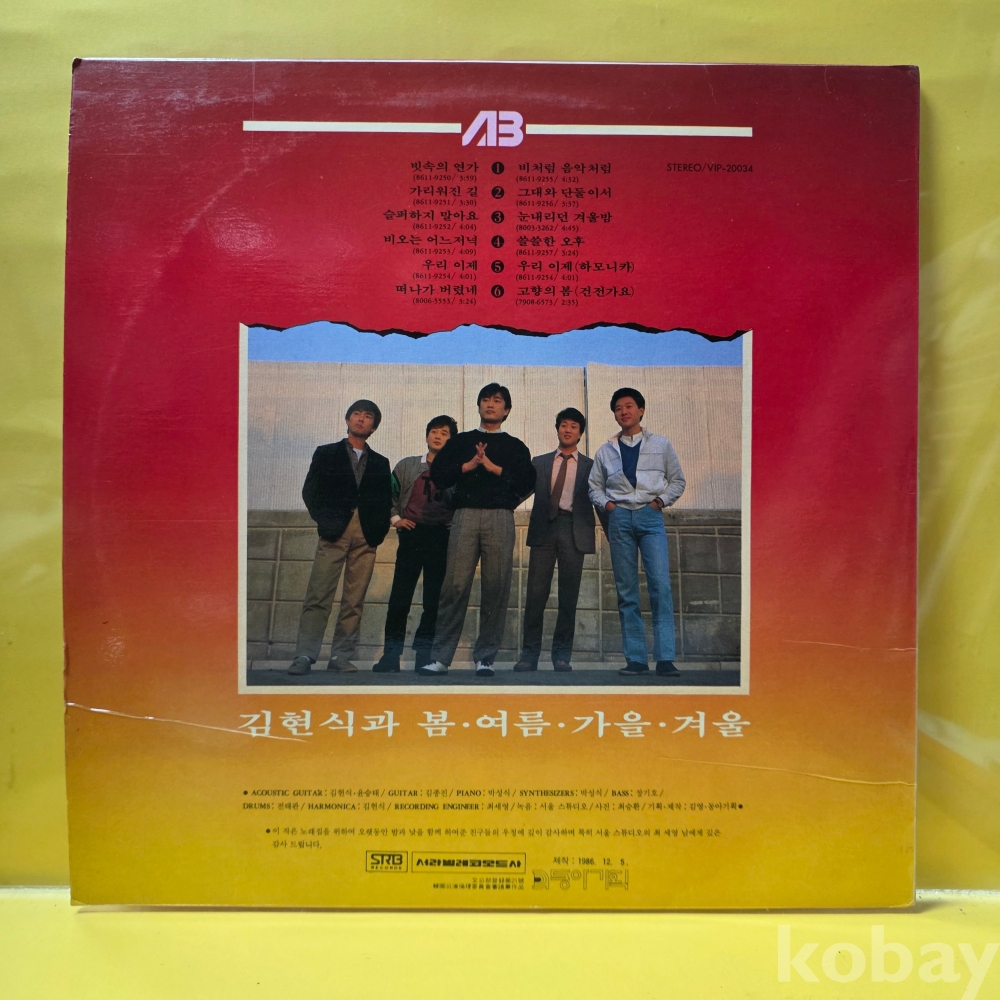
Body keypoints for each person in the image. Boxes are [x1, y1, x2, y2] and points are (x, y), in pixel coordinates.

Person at [420, 383, 535, 677]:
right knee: (454, 585)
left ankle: (485, 657)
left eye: (497, 400)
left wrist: (495, 468)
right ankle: (441, 657)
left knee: (496, 586)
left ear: (506, 410)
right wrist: (467, 466)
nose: (490, 404)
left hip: (500, 517)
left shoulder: (515, 446)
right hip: (465, 515)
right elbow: (438, 474)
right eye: (485, 399)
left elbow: (527, 481)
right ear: (479, 405)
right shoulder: (461, 442)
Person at [288, 399, 392, 676]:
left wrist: (377, 533)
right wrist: (326, 521)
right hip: (334, 531)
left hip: (366, 536)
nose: (361, 419)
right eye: (356, 414)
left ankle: (341, 656)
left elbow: (385, 500)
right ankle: (304, 655)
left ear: (373, 427)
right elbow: (311, 491)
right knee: (319, 595)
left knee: (354, 600)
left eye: (367, 416)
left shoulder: (380, 462)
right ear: (347, 419)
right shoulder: (326, 453)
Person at [588, 387, 685, 677]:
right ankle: (636, 659)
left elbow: (677, 481)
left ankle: (665, 658)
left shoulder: (661, 444)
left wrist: (659, 502)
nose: (624, 412)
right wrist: (608, 505)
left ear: (641, 410)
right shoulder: (605, 451)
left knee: (660, 586)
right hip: (619, 518)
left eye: (629, 406)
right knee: (627, 590)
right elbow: (594, 486)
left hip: (650, 517)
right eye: (618, 408)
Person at [372, 415, 459, 673]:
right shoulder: (407, 465)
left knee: (433, 600)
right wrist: (396, 519)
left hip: (441, 536)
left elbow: (460, 503)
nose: (438, 436)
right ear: (426, 435)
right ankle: (391, 655)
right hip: (412, 534)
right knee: (400, 596)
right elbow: (387, 494)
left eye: (444, 433)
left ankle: (424, 655)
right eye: (434, 431)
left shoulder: (456, 471)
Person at [513, 407, 595, 673]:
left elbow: (600, 497)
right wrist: (500, 507)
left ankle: (561, 656)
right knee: (535, 594)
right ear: (557, 428)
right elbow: (521, 490)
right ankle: (529, 656)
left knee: (568, 597)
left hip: (574, 530)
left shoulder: (591, 466)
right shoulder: (540, 462)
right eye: (563, 425)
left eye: (573, 426)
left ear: (580, 434)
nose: (568, 429)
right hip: (544, 529)